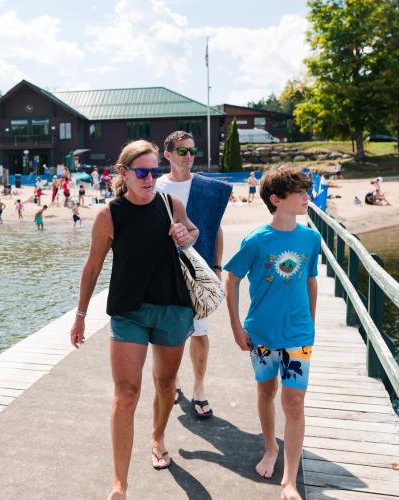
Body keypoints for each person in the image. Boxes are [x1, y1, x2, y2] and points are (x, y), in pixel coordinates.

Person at [69, 140, 198, 500]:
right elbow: (92, 266)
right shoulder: (109, 214)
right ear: (123, 174)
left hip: (173, 305)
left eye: (154, 171)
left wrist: (186, 234)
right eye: (142, 172)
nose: (150, 178)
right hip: (129, 311)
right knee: (126, 393)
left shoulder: (170, 203)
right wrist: (80, 316)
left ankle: (157, 437)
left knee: (165, 384)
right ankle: (120, 484)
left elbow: (193, 234)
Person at [223, 165, 321, 500]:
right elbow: (232, 279)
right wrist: (236, 325)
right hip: (261, 335)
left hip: (298, 336)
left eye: (307, 191)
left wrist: (310, 322)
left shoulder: (311, 237)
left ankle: (290, 480)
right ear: (276, 199)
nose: (307, 196)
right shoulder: (256, 241)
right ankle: (270, 448)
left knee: (294, 402)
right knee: (266, 392)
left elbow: (310, 280)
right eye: (300, 192)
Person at [155, 130, 232, 419]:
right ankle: (172, 382)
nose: (189, 156)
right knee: (167, 333)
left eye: (192, 151)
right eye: (182, 151)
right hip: (164, 271)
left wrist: (217, 267)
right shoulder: (156, 186)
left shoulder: (206, 188)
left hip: (198, 270)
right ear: (168, 154)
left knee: (199, 331)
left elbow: (215, 229)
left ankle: (199, 388)